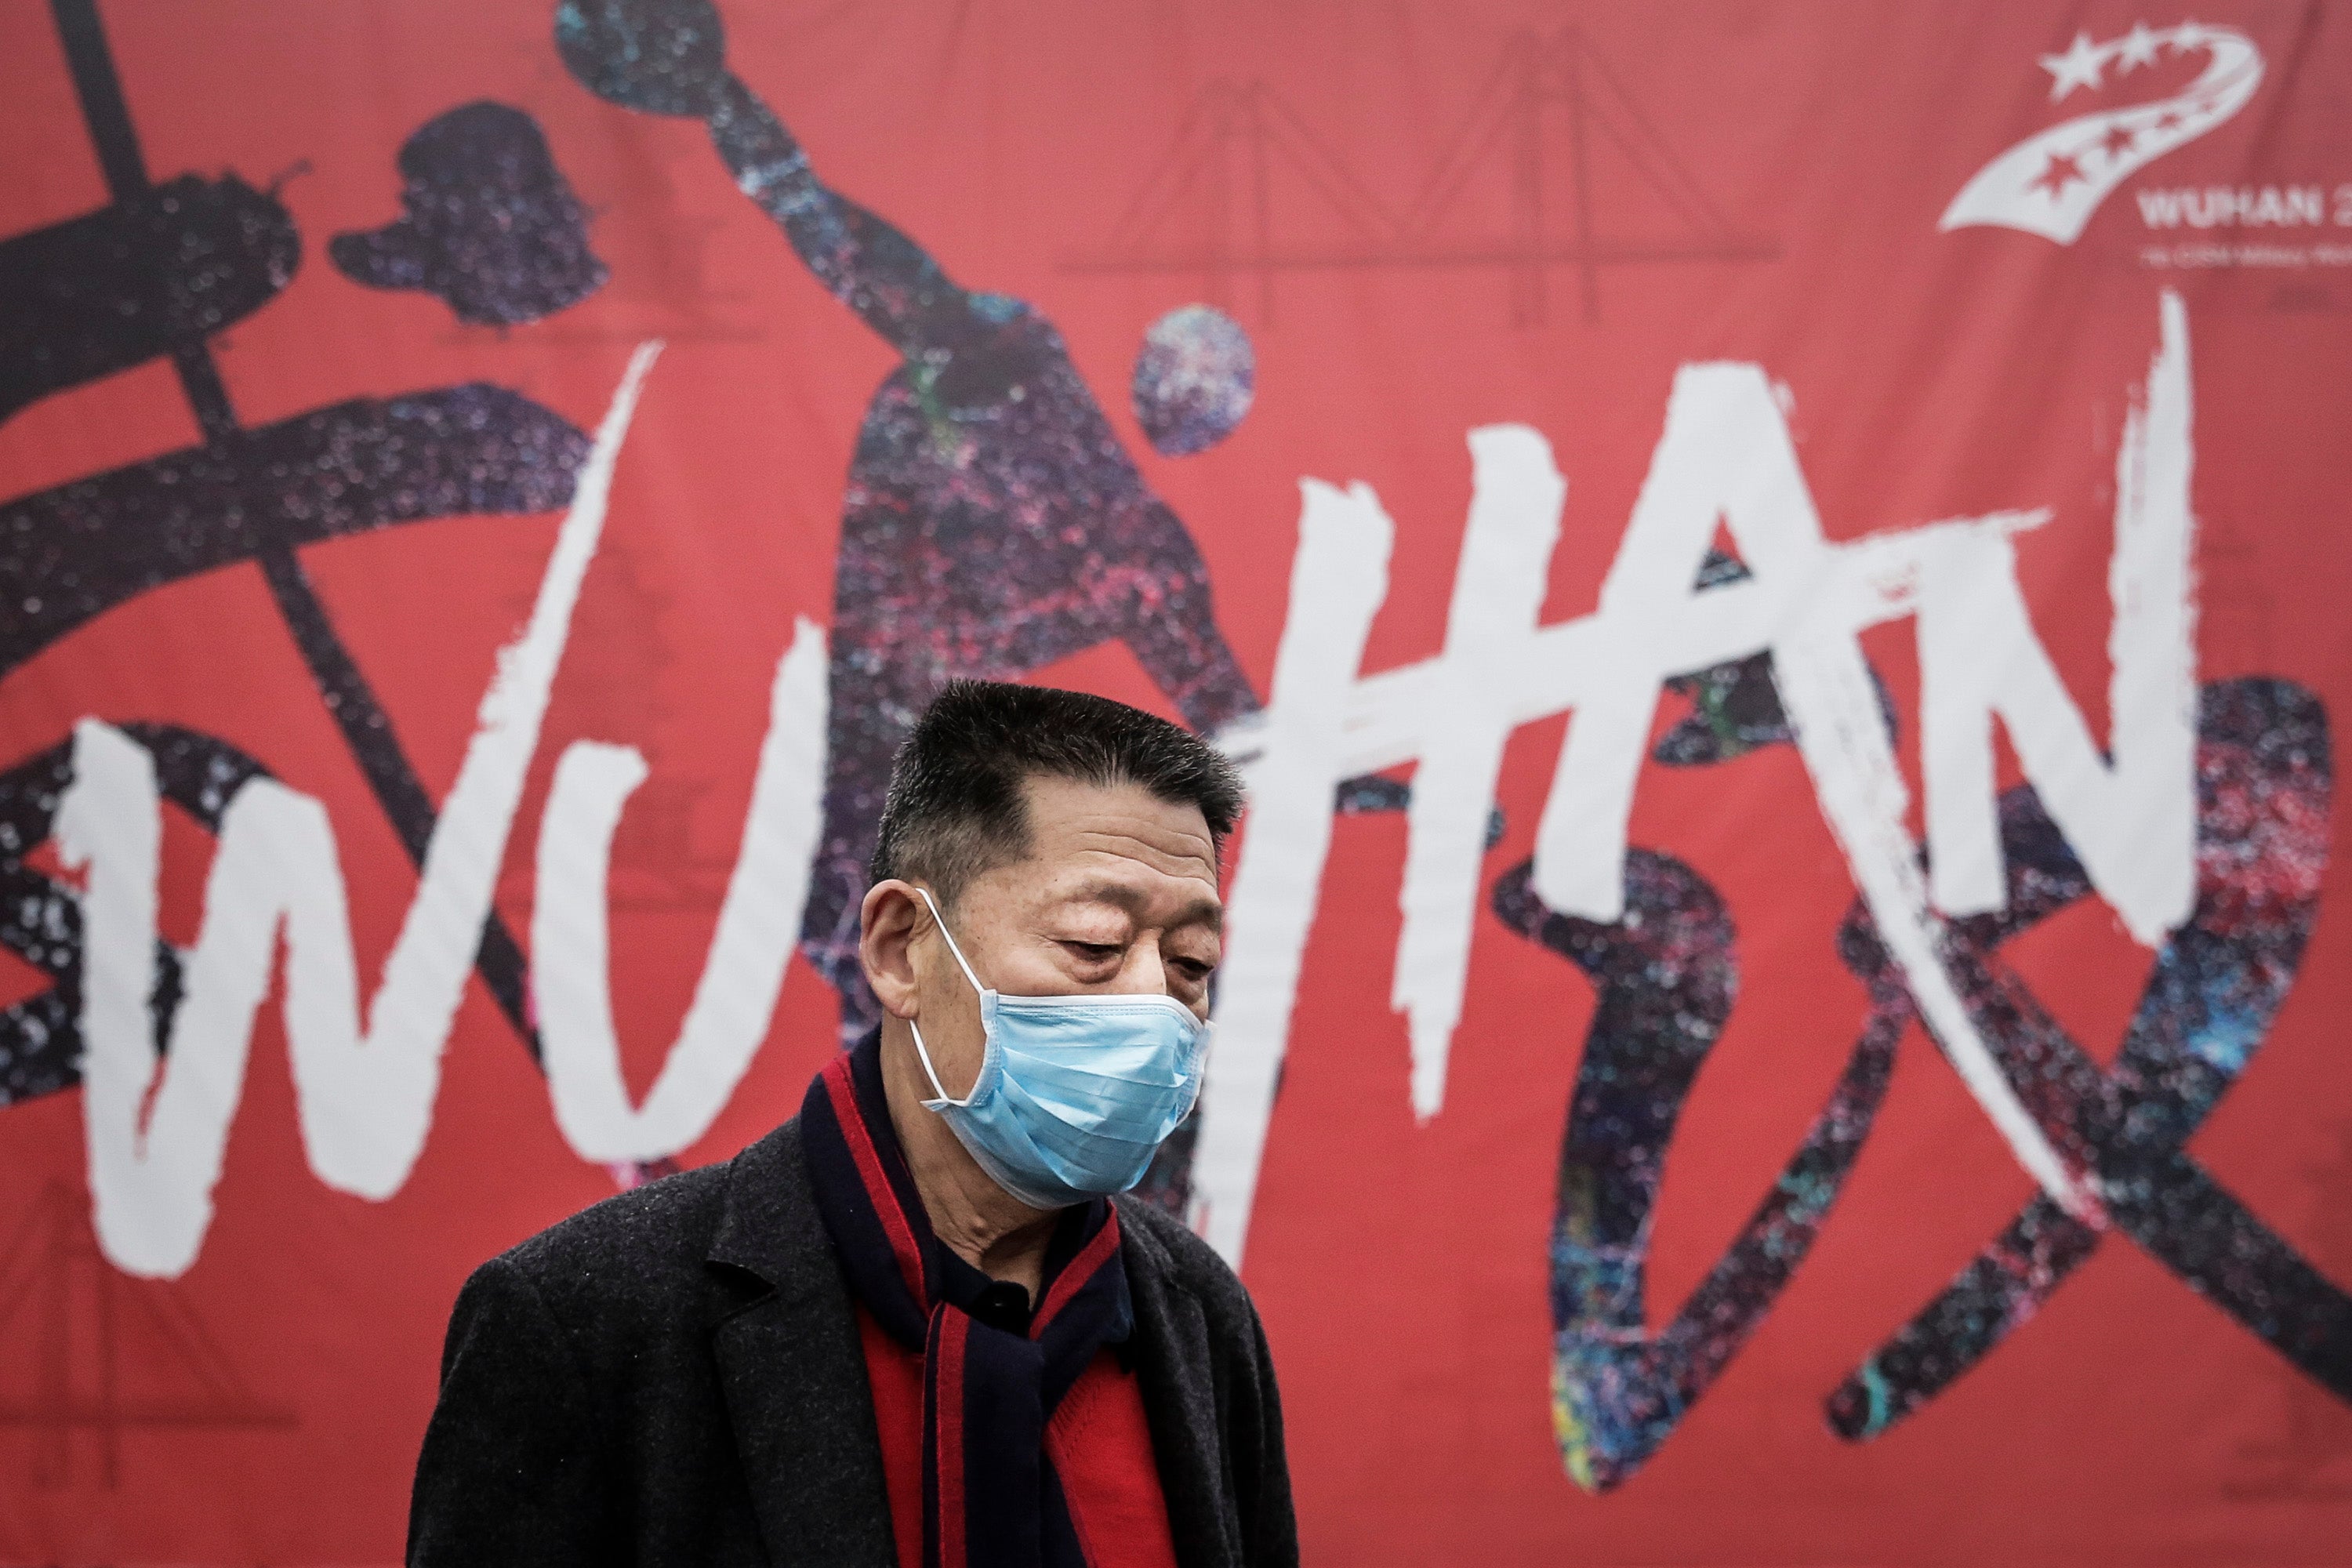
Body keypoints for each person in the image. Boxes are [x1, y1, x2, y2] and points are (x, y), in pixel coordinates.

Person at [407, 681, 1297, 1567]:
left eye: (1190, 961)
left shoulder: (1196, 1316)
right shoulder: (587, 1318)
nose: (1153, 1001)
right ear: (900, 947)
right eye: (1095, 944)